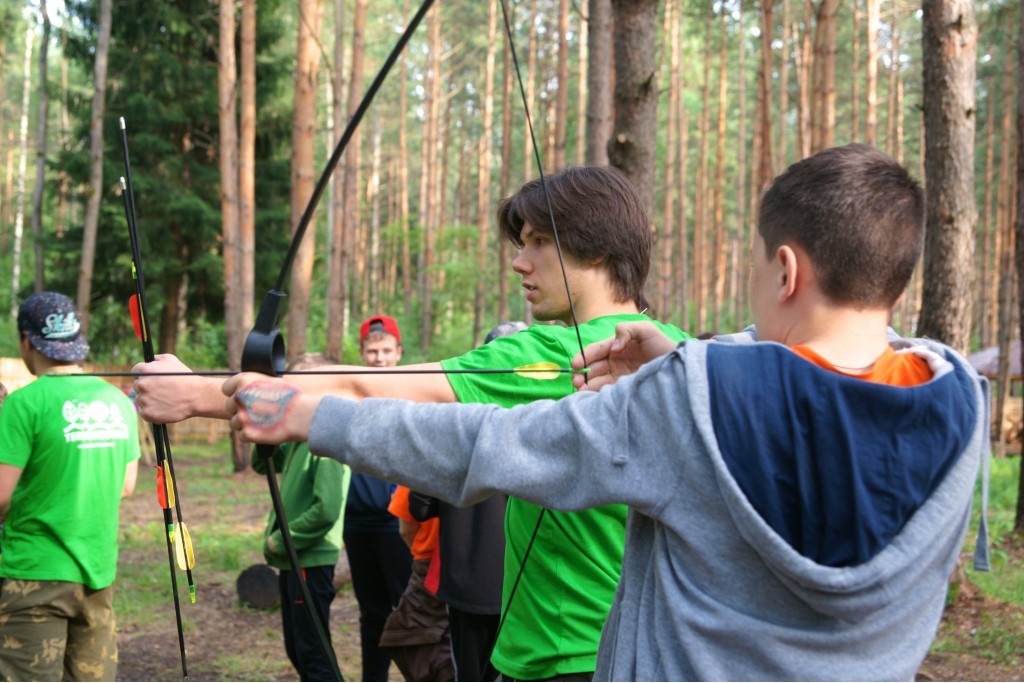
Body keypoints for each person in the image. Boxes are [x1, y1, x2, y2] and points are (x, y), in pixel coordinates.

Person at [224, 144, 990, 681]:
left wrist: (304, 414)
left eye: (758, 265)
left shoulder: (691, 401)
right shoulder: (955, 403)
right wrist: (683, 362)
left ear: (785, 268)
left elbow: (486, 445)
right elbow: (826, 389)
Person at [133, 165, 690, 680]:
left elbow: (365, 388)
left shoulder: (553, 353)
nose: (520, 262)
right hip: (652, 651)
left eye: (539, 242)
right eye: (522, 244)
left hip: (564, 657)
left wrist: (197, 393)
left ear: (594, 248)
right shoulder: (688, 354)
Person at [0, 291, 141, 681]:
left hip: (34, 576)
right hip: (97, 571)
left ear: (27, 341)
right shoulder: (118, 402)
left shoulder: (24, 404)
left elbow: (1, 495)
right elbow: (126, 486)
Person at [407, 320, 526, 682]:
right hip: (520, 587)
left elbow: (419, 506)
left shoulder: (454, 430)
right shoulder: (542, 424)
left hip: (470, 585)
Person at [250, 352, 350, 681]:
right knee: (299, 650)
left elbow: (327, 508)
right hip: (294, 557)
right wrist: (263, 418)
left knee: (314, 655)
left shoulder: (327, 439)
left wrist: (281, 539)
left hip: (308, 557)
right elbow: (263, 462)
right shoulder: (301, 433)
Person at [342, 315, 413, 681]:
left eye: (386, 350)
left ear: (399, 353)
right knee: (370, 611)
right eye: (373, 351)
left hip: (396, 523)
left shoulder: (413, 396)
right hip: (357, 523)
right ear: (362, 353)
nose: (380, 357)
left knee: (407, 606)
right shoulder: (351, 395)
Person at [378, 485, 453, 681]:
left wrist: (422, 555)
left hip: (429, 563)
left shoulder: (428, 458)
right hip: (488, 566)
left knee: (415, 637)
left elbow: (406, 527)